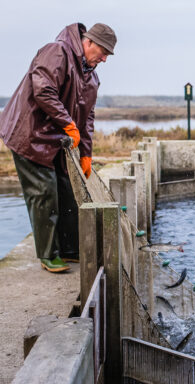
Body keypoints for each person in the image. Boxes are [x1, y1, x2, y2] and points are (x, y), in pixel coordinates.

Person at [0, 23, 116, 272]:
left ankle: (70, 249)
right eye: (104, 51)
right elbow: (44, 91)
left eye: (108, 55)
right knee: (44, 192)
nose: (105, 58)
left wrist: (86, 154)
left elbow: (88, 119)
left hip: (55, 140)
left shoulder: (92, 76)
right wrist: (68, 124)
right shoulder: (57, 51)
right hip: (28, 135)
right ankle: (48, 255)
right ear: (89, 42)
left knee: (67, 189)